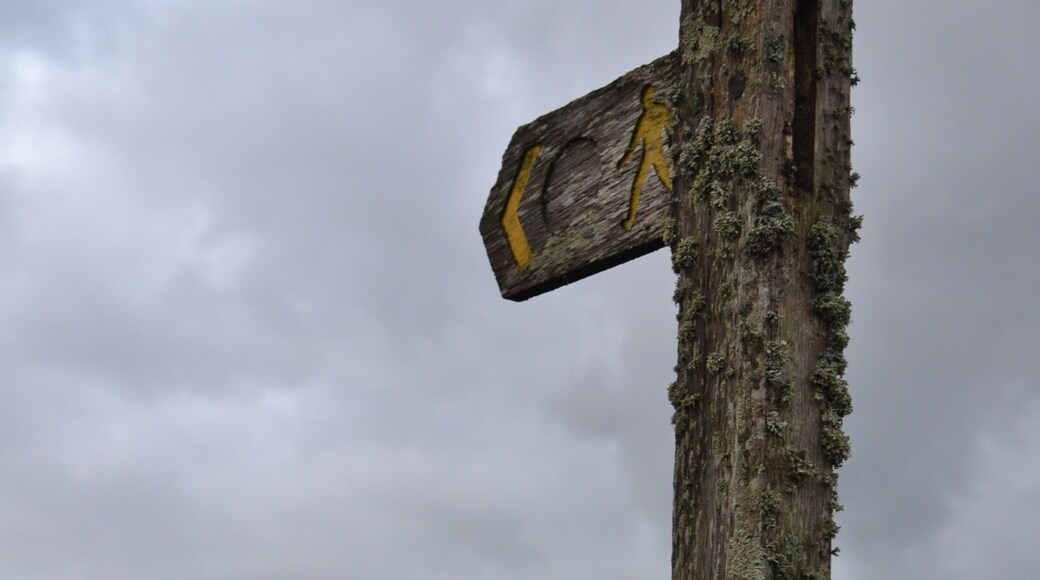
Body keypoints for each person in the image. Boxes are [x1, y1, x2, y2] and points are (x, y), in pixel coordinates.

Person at [617, 85, 674, 231]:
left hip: (658, 153)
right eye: (645, 99)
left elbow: (671, 128)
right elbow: (633, 144)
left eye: (649, 97)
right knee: (639, 184)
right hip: (649, 155)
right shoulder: (644, 119)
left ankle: (631, 219)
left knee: (664, 180)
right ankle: (631, 219)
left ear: (653, 96)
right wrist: (624, 161)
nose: (647, 101)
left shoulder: (661, 110)